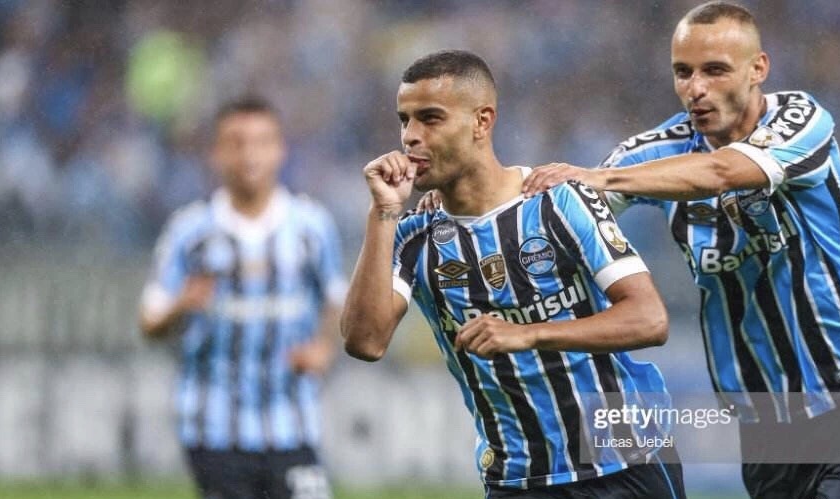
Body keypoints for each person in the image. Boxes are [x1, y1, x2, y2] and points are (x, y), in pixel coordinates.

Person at [515, 2, 840, 498]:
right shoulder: (657, 153)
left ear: (758, 69)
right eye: (683, 72)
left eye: (714, 70)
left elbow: (723, 171)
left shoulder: (802, 119)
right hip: (766, 429)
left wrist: (598, 178)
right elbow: (556, 207)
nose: (696, 88)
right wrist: (463, 197)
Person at [341, 50, 686, 498]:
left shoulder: (559, 202)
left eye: (430, 118)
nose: (410, 136)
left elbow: (650, 319)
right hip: (518, 478)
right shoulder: (412, 235)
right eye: (404, 120)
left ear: (481, 121)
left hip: (626, 462)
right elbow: (365, 342)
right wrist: (383, 212)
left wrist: (528, 334)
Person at [139, 96, 344, 499]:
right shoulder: (190, 231)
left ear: (281, 150)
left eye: (261, 142)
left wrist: (324, 347)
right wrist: (181, 306)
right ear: (216, 153)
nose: (249, 154)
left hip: (292, 421)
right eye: (236, 143)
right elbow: (150, 320)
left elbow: (336, 299)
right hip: (215, 427)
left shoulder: (311, 227)